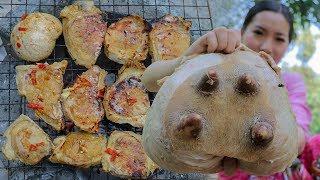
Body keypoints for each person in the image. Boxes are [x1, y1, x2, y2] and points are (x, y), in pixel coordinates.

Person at [142, 0, 312, 179]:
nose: (267, 46)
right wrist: (184, 60)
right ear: (243, 31)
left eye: (279, 39)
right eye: (259, 32)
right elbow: (147, 81)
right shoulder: (216, 55)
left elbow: (299, 139)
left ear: (288, 45)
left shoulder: (290, 83)